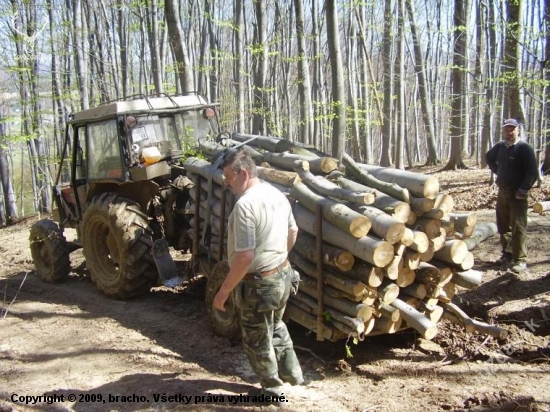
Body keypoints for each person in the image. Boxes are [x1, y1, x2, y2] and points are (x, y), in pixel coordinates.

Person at [213, 147, 303, 401]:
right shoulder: (277, 195)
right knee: (275, 326)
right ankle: (293, 375)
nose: (227, 183)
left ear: (243, 174)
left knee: (256, 338)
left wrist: (224, 291)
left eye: (228, 177)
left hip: (259, 285)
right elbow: (293, 232)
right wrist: (278, 259)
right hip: (282, 276)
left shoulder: (245, 205)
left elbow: (244, 257)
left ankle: (274, 392)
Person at [486, 118, 538, 274]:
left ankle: (520, 260)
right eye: (506, 130)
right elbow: (489, 157)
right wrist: (498, 172)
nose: (509, 133)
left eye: (512, 129)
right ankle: (507, 255)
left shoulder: (524, 148)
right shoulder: (501, 147)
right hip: (503, 191)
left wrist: (523, 189)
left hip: (518, 194)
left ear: (518, 130)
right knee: (503, 225)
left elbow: (532, 172)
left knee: (518, 226)